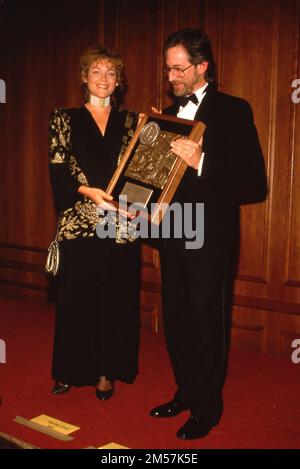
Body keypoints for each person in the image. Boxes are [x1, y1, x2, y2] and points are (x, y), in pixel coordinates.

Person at [149, 29, 267, 439]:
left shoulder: (234, 110)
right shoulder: (165, 113)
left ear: (203, 67)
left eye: (179, 68)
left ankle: (207, 407)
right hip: (172, 232)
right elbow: (158, 183)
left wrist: (202, 161)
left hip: (210, 236)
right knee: (177, 318)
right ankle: (186, 391)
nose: (172, 75)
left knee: (205, 320)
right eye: (168, 68)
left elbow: (255, 182)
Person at [48, 47, 141, 400]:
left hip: (120, 221)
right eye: (97, 72)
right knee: (76, 297)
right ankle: (68, 370)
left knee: (114, 298)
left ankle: (106, 372)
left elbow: (141, 173)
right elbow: (57, 168)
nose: (104, 79)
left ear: (119, 83)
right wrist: (87, 191)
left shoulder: (134, 122)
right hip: (79, 219)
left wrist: (132, 206)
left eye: (111, 74)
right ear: (84, 77)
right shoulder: (63, 118)